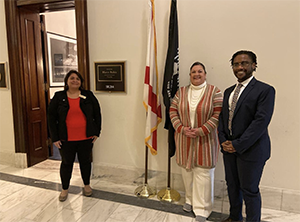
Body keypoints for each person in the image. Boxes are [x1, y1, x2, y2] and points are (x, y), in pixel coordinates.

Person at [218, 50, 275, 222]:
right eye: (236, 64)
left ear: (254, 65)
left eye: (244, 63)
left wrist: (238, 144)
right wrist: (223, 142)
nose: (240, 67)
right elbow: (222, 119)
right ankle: (234, 218)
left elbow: (260, 123)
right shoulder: (228, 91)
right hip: (229, 149)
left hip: (252, 150)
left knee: (250, 190)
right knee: (233, 187)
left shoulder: (265, 90)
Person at [170, 62, 223, 222]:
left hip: (205, 141)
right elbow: (173, 111)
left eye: (200, 71)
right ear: (190, 75)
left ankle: (203, 209)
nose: (196, 74)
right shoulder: (181, 92)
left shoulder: (215, 92)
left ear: (205, 74)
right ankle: (190, 200)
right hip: (184, 139)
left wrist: (200, 131)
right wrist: (181, 128)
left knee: (203, 174)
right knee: (187, 172)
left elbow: (217, 115)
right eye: (193, 72)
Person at [48, 70, 102, 202]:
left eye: (77, 79)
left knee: (85, 162)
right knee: (66, 164)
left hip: (85, 137)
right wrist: (54, 137)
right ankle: (65, 189)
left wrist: (96, 132)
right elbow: (51, 117)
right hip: (66, 139)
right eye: (72, 78)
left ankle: (87, 185)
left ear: (81, 82)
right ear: (67, 81)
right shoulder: (59, 96)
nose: (75, 81)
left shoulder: (88, 95)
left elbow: (97, 113)